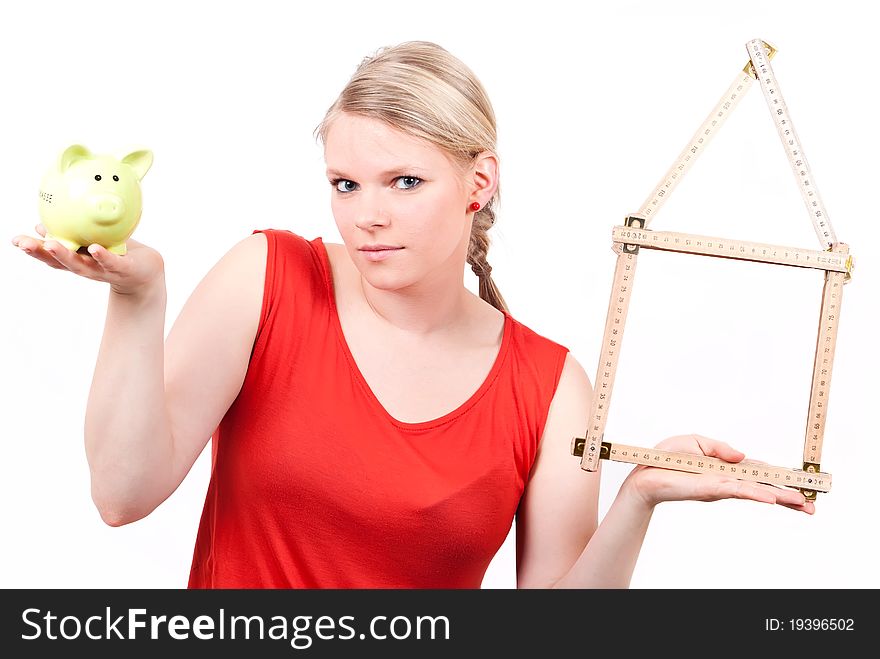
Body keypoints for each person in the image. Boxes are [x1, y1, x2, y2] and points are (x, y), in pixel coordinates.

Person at [11, 40, 813, 589]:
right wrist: (136, 296)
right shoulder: (268, 277)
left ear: (479, 181)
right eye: (345, 183)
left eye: (404, 182)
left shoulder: (547, 387)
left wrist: (636, 497)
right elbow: (121, 494)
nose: (366, 216)